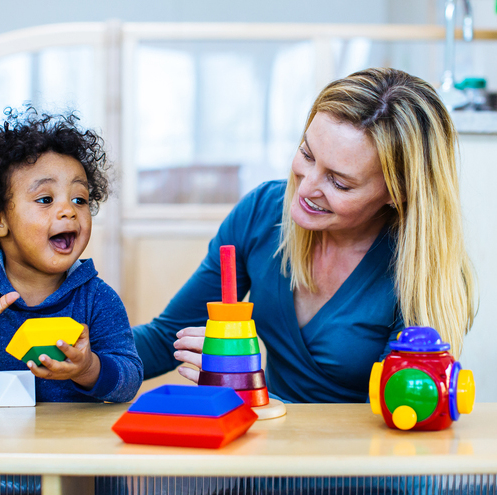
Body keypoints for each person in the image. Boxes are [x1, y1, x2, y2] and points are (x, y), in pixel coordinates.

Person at [132, 67, 476, 404]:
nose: (306, 186)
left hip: (362, 457)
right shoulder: (261, 213)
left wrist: (249, 388)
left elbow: (403, 411)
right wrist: (89, 360)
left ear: (397, 192)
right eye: (307, 154)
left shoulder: (421, 269)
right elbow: (166, 339)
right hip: (271, 449)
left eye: (339, 182)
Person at [0, 108, 143, 403]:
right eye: (45, 199)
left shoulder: (97, 298)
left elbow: (129, 381)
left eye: (80, 199)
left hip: (70, 445)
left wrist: (88, 368)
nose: (69, 210)